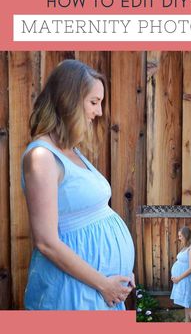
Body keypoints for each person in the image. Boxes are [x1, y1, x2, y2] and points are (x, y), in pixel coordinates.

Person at [21, 59, 135, 310]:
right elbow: (46, 242)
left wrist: (120, 271)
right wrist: (104, 284)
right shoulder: (41, 156)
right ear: (68, 100)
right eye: (94, 102)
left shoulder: (70, 151)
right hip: (73, 292)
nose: (100, 112)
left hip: (99, 291)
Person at [170, 226, 191, 322]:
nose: (179, 238)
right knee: (185, 304)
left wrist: (178, 278)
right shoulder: (185, 247)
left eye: (180, 236)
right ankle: (186, 323)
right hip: (182, 280)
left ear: (186, 236)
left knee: (189, 305)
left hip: (187, 280)